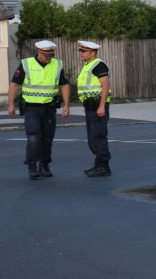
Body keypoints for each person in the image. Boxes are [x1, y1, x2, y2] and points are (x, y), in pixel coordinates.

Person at [7, 40, 70, 179]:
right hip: (31, 108)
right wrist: (11, 104)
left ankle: (44, 164)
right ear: (39, 52)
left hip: (49, 108)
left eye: (51, 55)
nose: (49, 58)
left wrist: (66, 105)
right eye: (46, 55)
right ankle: (32, 164)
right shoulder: (26, 64)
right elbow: (14, 85)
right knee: (34, 137)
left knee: (47, 139)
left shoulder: (57, 64)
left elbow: (64, 85)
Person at [77, 40, 112, 177]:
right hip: (91, 106)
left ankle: (104, 166)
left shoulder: (99, 65)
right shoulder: (88, 65)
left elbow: (105, 86)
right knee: (93, 138)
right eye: (80, 51)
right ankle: (99, 164)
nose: (81, 54)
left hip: (98, 106)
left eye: (83, 51)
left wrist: (102, 106)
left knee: (98, 136)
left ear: (93, 52)